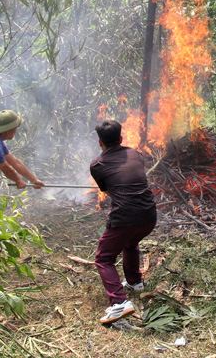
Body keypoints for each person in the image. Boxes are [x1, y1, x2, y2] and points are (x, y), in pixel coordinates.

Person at [89, 120, 157, 325]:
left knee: (104, 258)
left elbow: (107, 191)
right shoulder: (136, 154)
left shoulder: (97, 165)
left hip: (125, 217)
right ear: (121, 138)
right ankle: (135, 282)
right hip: (149, 216)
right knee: (130, 242)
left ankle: (119, 303)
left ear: (100, 142)